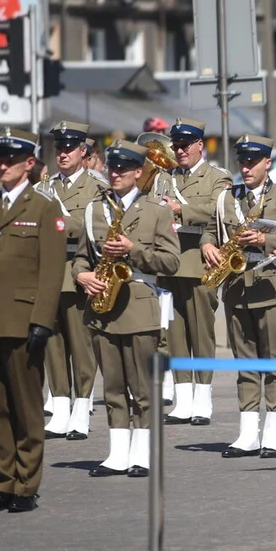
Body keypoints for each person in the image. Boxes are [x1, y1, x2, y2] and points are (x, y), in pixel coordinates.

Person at [0, 129, 65, 513]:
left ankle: (26, 485)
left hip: (24, 320)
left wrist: (42, 321)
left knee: (26, 406)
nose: (2, 166)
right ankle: (4, 482)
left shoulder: (44, 207)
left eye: (10, 160)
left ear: (29, 164)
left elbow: (52, 271)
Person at [73, 141, 180, 477]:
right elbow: (79, 256)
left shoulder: (156, 210)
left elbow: (171, 261)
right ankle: (118, 453)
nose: (115, 173)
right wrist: (82, 275)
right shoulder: (94, 209)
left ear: (138, 172)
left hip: (139, 307)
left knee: (143, 388)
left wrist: (134, 251)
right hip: (102, 308)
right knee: (114, 387)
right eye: (112, 168)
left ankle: (143, 453)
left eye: (124, 169)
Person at [201, 135, 276, 458]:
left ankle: (273, 433)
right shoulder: (227, 198)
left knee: (274, 362)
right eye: (242, 162)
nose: (246, 167)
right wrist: (207, 245)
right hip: (236, 288)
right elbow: (210, 228)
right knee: (245, 364)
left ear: (267, 163)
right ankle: (248, 434)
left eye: (252, 161)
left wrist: (265, 239)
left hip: (273, 288)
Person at [156, 118, 231, 425]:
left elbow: (220, 209)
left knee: (201, 333)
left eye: (185, 145)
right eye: (176, 145)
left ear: (200, 144)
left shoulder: (218, 177)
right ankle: (182, 399)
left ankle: (203, 400)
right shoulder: (165, 176)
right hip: (170, 260)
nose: (180, 150)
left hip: (201, 260)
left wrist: (180, 210)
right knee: (174, 333)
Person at [38, 122, 107, 440]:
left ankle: (82, 410)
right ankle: (60, 407)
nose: (62, 154)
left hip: (81, 272)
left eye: (69, 148)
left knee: (81, 346)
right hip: (50, 272)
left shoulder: (97, 186)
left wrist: (56, 223)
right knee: (53, 344)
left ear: (84, 152)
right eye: (59, 148)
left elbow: (93, 226)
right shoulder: (45, 187)